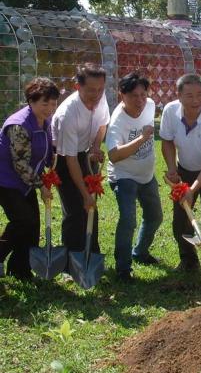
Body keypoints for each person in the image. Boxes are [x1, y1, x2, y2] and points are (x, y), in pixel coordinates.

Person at [160, 73, 201, 291]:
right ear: (178, 96)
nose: (195, 100)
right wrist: (172, 169)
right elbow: (167, 141)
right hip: (184, 168)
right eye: (189, 95)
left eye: (199, 94)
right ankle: (189, 261)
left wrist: (193, 189)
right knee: (180, 219)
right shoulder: (170, 112)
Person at [0, 78, 60, 279]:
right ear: (31, 101)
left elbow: (45, 148)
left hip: (25, 182)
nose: (50, 108)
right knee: (23, 220)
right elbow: (20, 164)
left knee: (33, 225)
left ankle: (20, 269)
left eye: (53, 103)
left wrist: (51, 162)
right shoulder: (19, 125)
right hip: (6, 180)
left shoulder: (45, 120)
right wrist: (41, 185)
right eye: (45, 103)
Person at [106, 72, 163, 283]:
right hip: (124, 176)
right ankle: (123, 268)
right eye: (133, 96)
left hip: (147, 175)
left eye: (143, 94)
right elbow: (113, 155)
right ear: (122, 95)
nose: (140, 101)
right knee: (128, 220)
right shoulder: (117, 122)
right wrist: (141, 138)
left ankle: (140, 252)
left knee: (155, 216)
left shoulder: (149, 105)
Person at [52, 64, 110, 261]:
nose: (96, 94)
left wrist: (95, 146)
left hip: (85, 154)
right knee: (76, 210)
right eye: (91, 90)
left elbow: (103, 124)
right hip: (64, 159)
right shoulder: (68, 113)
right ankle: (71, 260)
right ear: (78, 87)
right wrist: (85, 194)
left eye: (100, 89)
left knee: (91, 208)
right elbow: (70, 160)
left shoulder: (100, 98)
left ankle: (91, 254)